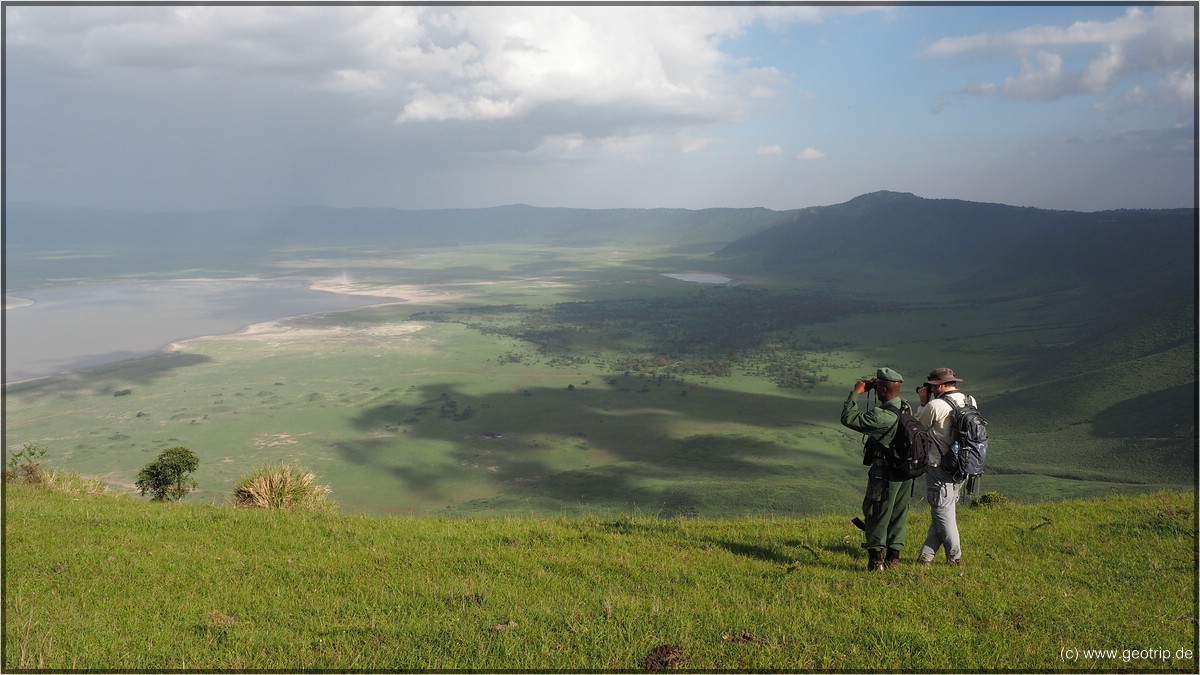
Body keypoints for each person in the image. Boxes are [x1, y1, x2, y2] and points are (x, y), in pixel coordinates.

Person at [840, 367, 914, 571]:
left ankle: (875, 561)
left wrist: (856, 392)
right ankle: (894, 558)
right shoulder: (906, 407)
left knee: (877, 512)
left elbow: (848, 417)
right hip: (904, 472)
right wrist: (878, 386)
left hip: (885, 473)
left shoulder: (881, 416)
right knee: (898, 513)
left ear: (882, 390)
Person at [915, 367, 978, 566]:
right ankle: (925, 557)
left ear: (940, 385)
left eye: (933, 386)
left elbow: (918, 429)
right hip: (963, 464)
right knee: (943, 512)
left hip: (939, 465)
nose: (931, 389)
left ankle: (955, 557)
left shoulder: (935, 405)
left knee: (943, 513)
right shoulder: (970, 400)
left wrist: (923, 404)